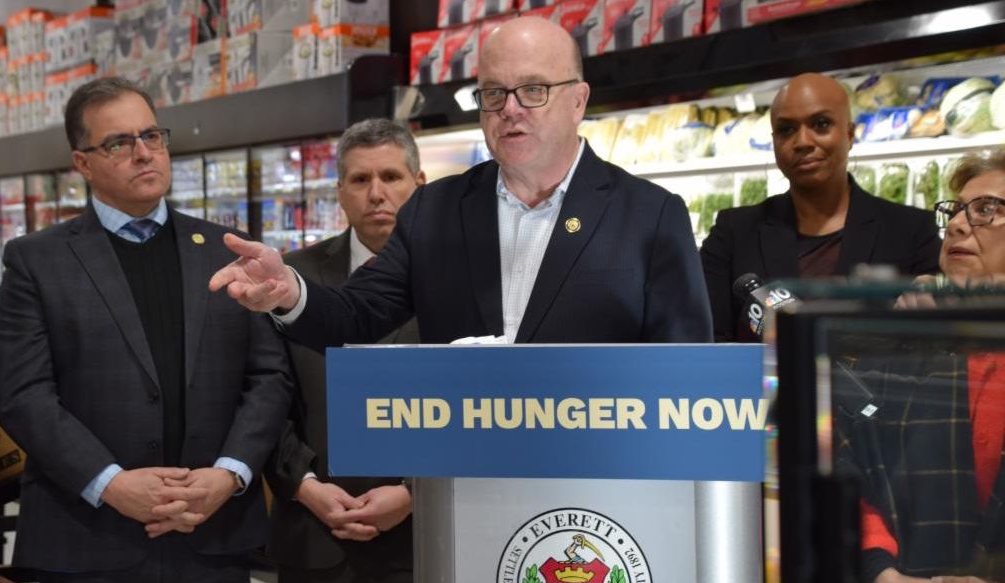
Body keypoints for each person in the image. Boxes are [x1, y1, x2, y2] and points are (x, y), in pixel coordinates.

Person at [0, 77, 292, 583]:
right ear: (82, 162)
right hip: (92, 542)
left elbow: (269, 376)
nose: (144, 152)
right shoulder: (37, 260)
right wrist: (110, 483)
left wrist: (228, 476)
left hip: (212, 537)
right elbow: (24, 395)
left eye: (152, 135)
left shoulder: (224, 250)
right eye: (120, 142)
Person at [209, 16, 711, 349]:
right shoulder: (436, 209)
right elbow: (358, 311)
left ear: (578, 100)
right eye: (493, 93)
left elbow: (687, 377)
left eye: (533, 90)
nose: (510, 110)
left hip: (601, 494)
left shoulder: (650, 215)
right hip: (463, 491)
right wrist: (288, 292)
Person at [835, 149, 1005, 583]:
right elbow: (841, 471)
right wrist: (885, 579)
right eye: (954, 211)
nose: (956, 224)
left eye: (987, 210)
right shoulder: (902, 341)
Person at [265, 118, 424, 583]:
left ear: (419, 183)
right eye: (359, 180)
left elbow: (481, 400)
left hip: (422, 540)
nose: (376, 192)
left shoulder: (457, 281)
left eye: (390, 176)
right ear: (338, 192)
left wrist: (413, 493)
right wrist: (306, 487)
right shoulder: (293, 279)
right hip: (316, 538)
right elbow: (266, 397)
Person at [700, 72, 940, 342]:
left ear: (849, 134)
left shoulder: (912, 231)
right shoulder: (733, 233)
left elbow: (934, 344)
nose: (803, 142)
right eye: (786, 130)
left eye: (821, 124)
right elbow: (711, 341)